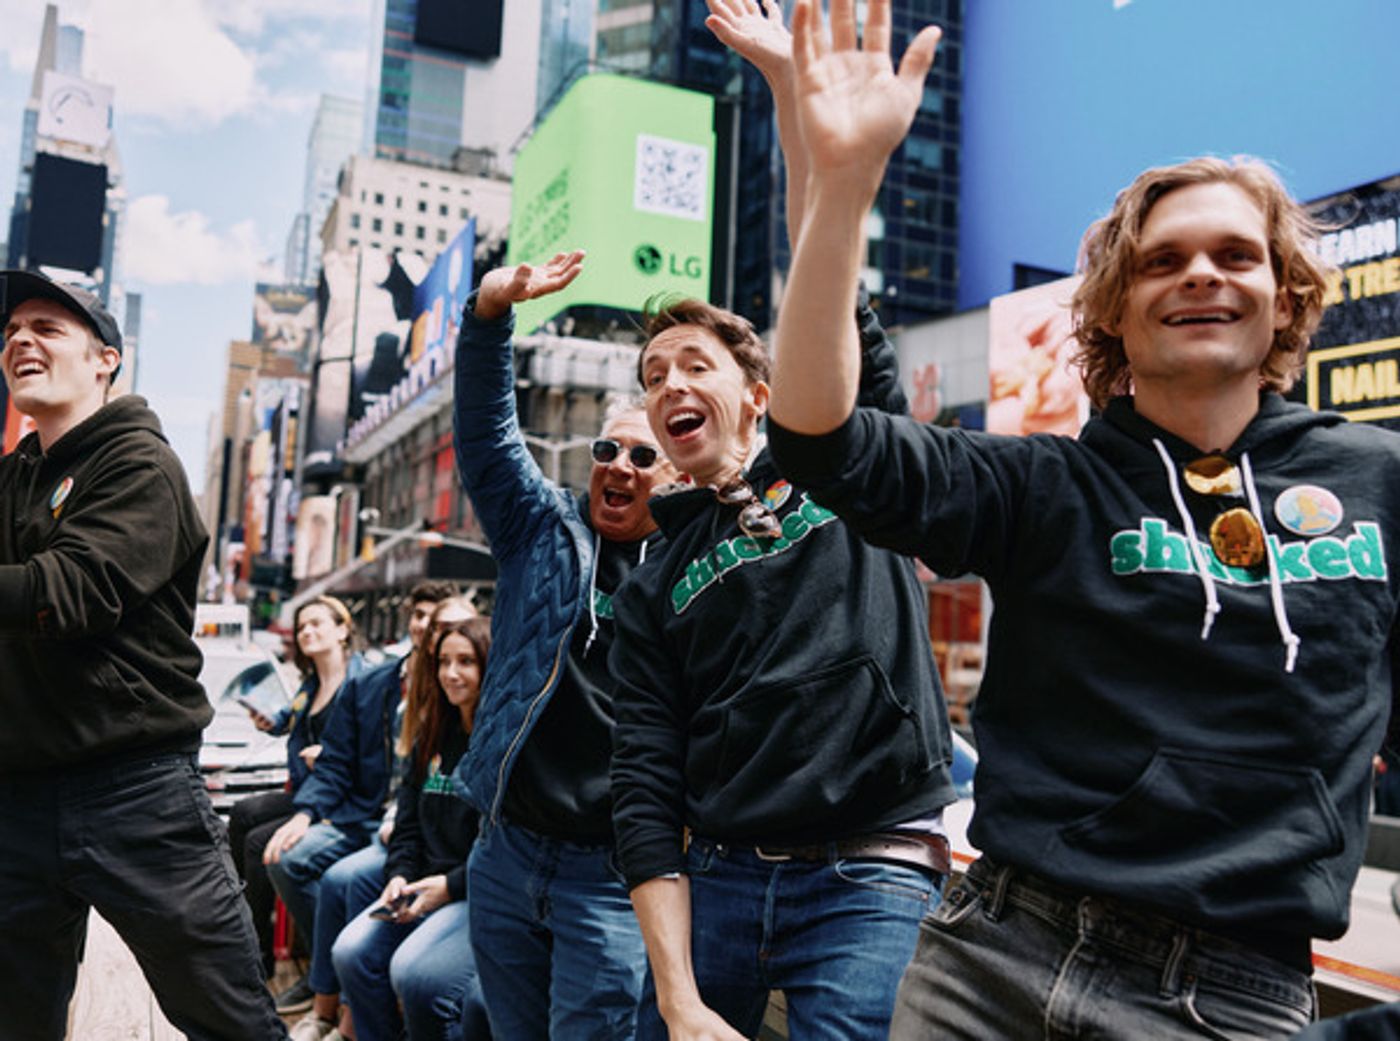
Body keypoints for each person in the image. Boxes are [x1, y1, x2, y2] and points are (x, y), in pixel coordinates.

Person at [764, 2, 1400, 1037]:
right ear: (1109, 306)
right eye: (1160, 260)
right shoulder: (1041, 487)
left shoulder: (1380, 482)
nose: (1199, 273)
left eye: (1234, 257)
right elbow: (820, 439)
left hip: (1230, 995)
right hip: (990, 961)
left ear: (1284, 299)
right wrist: (838, 186)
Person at [606, 9, 956, 1040]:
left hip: (871, 873)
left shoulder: (841, 460)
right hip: (713, 878)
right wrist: (673, 998)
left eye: (695, 366)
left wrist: (778, 89)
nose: (669, 384)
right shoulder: (651, 576)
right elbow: (642, 790)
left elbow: (828, 285)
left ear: (762, 394)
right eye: (652, 375)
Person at [0, 269, 288, 1039]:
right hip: (20, 793)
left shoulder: (140, 463)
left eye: (47, 328)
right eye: (11, 331)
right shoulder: (15, 477)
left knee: (232, 1020)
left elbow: (68, 590)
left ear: (104, 359)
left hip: (136, 794)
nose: (20, 340)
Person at [451, 254, 678, 1039]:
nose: (618, 466)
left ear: (674, 476)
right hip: (506, 851)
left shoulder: (697, 570)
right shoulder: (541, 525)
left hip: (613, 879)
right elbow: (485, 431)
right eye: (607, 451)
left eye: (643, 456)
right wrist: (488, 315)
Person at [266, 581, 460, 1036]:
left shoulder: (468, 707)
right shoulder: (373, 688)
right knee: (272, 847)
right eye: (423, 620)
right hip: (371, 816)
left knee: (347, 880)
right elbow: (341, 763)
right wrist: (305, 814)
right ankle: (325, 993)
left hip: (414, 839)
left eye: (317, 623)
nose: (451, 668)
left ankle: (340, 1006)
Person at [333, 611, 494, 1041]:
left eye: (466, 662)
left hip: (473, 892)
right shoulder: (433, 735)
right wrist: (400, 874)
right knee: (350, 953)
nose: (451, 673)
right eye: (444, 662)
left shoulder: (501, 743)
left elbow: (502, 846)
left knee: (413, 974)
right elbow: (406, 824)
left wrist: (450, 886)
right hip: (419, 886)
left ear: (489, 664)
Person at [229, 594, 361, 979]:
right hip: (306, 791)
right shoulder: (311, 682)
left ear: (342, 630)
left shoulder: (360, 681)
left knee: (259, 843)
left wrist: (331, 754)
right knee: (242, 814)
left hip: (340, 798)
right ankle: (240, 931)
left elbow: (372, 747)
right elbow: (288, 718)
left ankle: (262, 955)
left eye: (317, 623)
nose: (307, 631)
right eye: (302, 626)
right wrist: (268, 720)